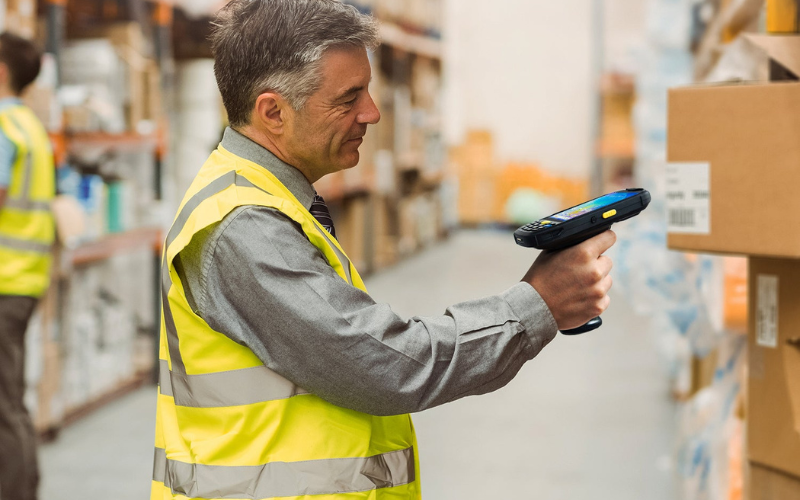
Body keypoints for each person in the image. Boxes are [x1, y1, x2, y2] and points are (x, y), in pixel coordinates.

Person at [151, 1, 615, 498]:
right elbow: (384, 364)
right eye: (348, 98)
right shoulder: (244, 226)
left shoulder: (266, 199)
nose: (371, 113)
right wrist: (536, 305)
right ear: (273, 112)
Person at [0, 32, 55, 500]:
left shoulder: (3, 125)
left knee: (3, 405)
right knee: (10, 398)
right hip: (24, 278)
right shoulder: (30, 125)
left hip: (3, 281)